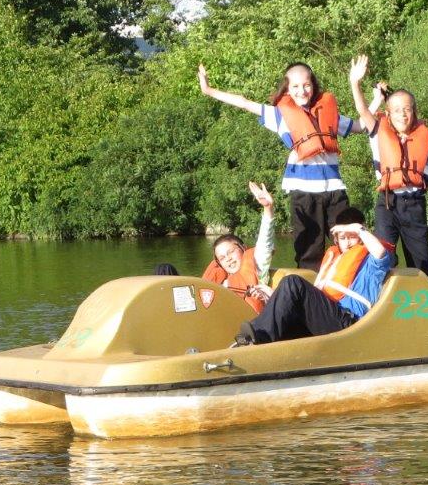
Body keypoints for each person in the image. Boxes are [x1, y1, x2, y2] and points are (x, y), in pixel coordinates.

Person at [198, 61, 381, 271]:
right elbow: (244, 102)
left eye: (306, 85)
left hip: (334, 190)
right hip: (303, 193)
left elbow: (361, 125)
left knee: (349, 243)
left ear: (313, 85)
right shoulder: (280, 114)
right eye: (295, 86)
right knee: (309, 251)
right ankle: (309, 295)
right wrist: (209, 90)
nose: (302, 91)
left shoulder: (327, 113)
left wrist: (375, 100)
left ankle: (351, 289)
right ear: (287, 89)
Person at [347, 55, 428, 287]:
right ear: (388, 114)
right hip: (387, 203)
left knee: (421, 261)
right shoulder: (377, 131)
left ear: (414, 113)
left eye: (408, 110)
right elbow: (362, 111)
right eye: (398, 110)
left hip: (413, 205)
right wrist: (355, 83)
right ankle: (379, 302)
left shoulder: (426, 141)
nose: (403, 114)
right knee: (382, 254)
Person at [232, 207, 391, 346]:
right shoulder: (335, 259)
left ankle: (259, 338)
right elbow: (317, 304)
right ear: (336, 239)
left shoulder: (372, 263)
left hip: (349, 323)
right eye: (343, 238)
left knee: (293, 282)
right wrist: (273, 296)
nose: (348, 243)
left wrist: (359, 229)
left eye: (352, 236)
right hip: (329, 318)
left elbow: (381, 253)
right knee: (288, 313)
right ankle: (253, 342)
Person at [153, 182, 276, 312]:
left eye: (231, 252)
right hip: (213, 322)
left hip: (248, 326)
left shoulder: (257, 265)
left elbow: (264, 242)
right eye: (222, 258)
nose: (228, 259)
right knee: (164, 269)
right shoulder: (221, 283)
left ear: (243, 249)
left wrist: (268, 209)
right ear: (219, 263)